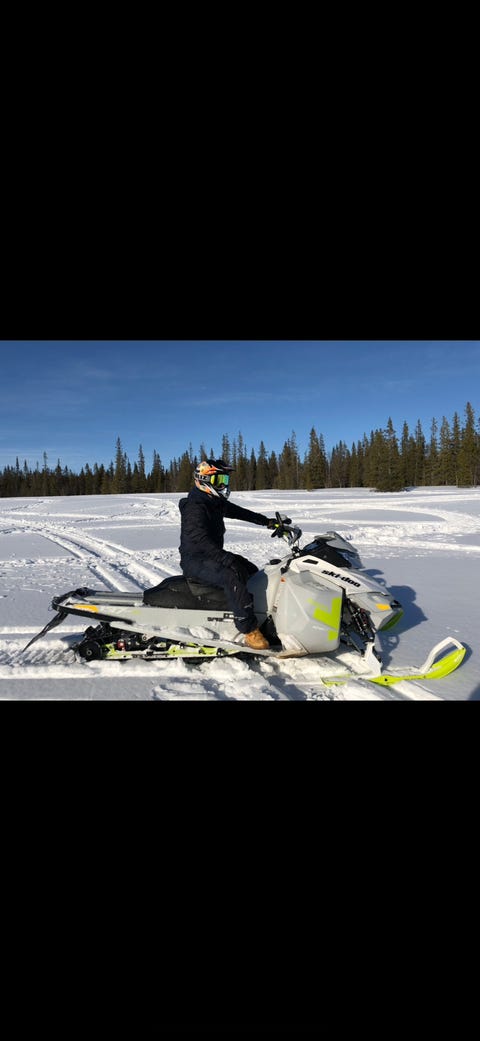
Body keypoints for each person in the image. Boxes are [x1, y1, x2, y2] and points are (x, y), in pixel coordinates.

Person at [179, 459, 285, 650]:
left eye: (225, 480)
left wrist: (267, 522)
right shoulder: (195, 506)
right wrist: (225, 558)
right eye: (219, 480)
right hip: (195, 559)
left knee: (250, 569)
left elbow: (240, 512)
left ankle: (257, 612)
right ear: (204, 480)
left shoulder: (213, 502)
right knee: (232, 575)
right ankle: (249, 630)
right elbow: (200, 540)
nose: (224, 485)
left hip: (210, 555)